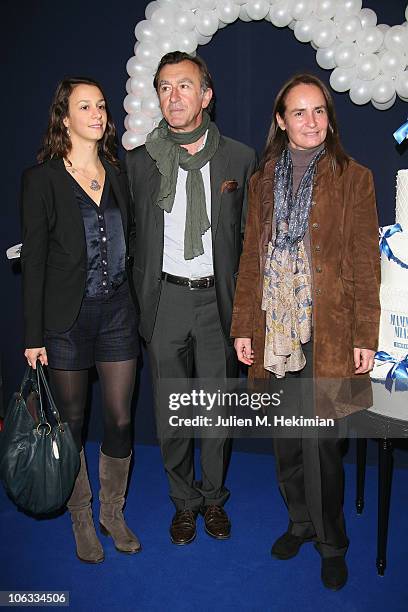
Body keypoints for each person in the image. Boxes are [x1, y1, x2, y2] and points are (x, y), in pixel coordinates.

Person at [231, 73, 380, 590]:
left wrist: (366, 335)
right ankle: (298, 521)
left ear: (329, 118)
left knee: (321, 443)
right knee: (287, 440)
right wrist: (244, 325)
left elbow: (365, 263)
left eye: (320, 111)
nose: (312, 122)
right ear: (281, 120)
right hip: (276, 329)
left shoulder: (354, 177)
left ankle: (331, 542)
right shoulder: (261, 180)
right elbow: (251, 259)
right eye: (300, 112)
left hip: (330, 330)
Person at [126, 52, 257, 545]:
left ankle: (213, 498)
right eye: (164, 87)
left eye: (185, 85)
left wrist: (246, 314)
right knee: (173, 413)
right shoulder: (139, 163)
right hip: (164, 305)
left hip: (216, 306)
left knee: (217, 414)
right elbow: (131, 237)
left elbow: (249, 241)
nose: (173, 95)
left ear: (206, 96)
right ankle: (183, 503)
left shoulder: (239, 160)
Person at [20, 77, 141, 563]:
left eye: (102, 106)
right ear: (64, 118)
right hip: (66, 321)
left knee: (120, 417)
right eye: (84, 106)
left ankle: (113, 511)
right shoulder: (42, 179)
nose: (96, 113)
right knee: (72, 422)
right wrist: (33, 335)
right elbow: (34, 263)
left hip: (117, 314)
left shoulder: (118, 172)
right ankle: (82, 517)